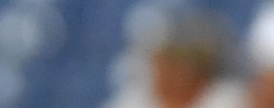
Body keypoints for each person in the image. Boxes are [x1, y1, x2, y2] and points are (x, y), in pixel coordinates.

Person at [102, 11, 246, 108]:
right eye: (163, 64)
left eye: (179, 66)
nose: (169, 76)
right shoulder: (134, 99)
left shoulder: (228, 100)